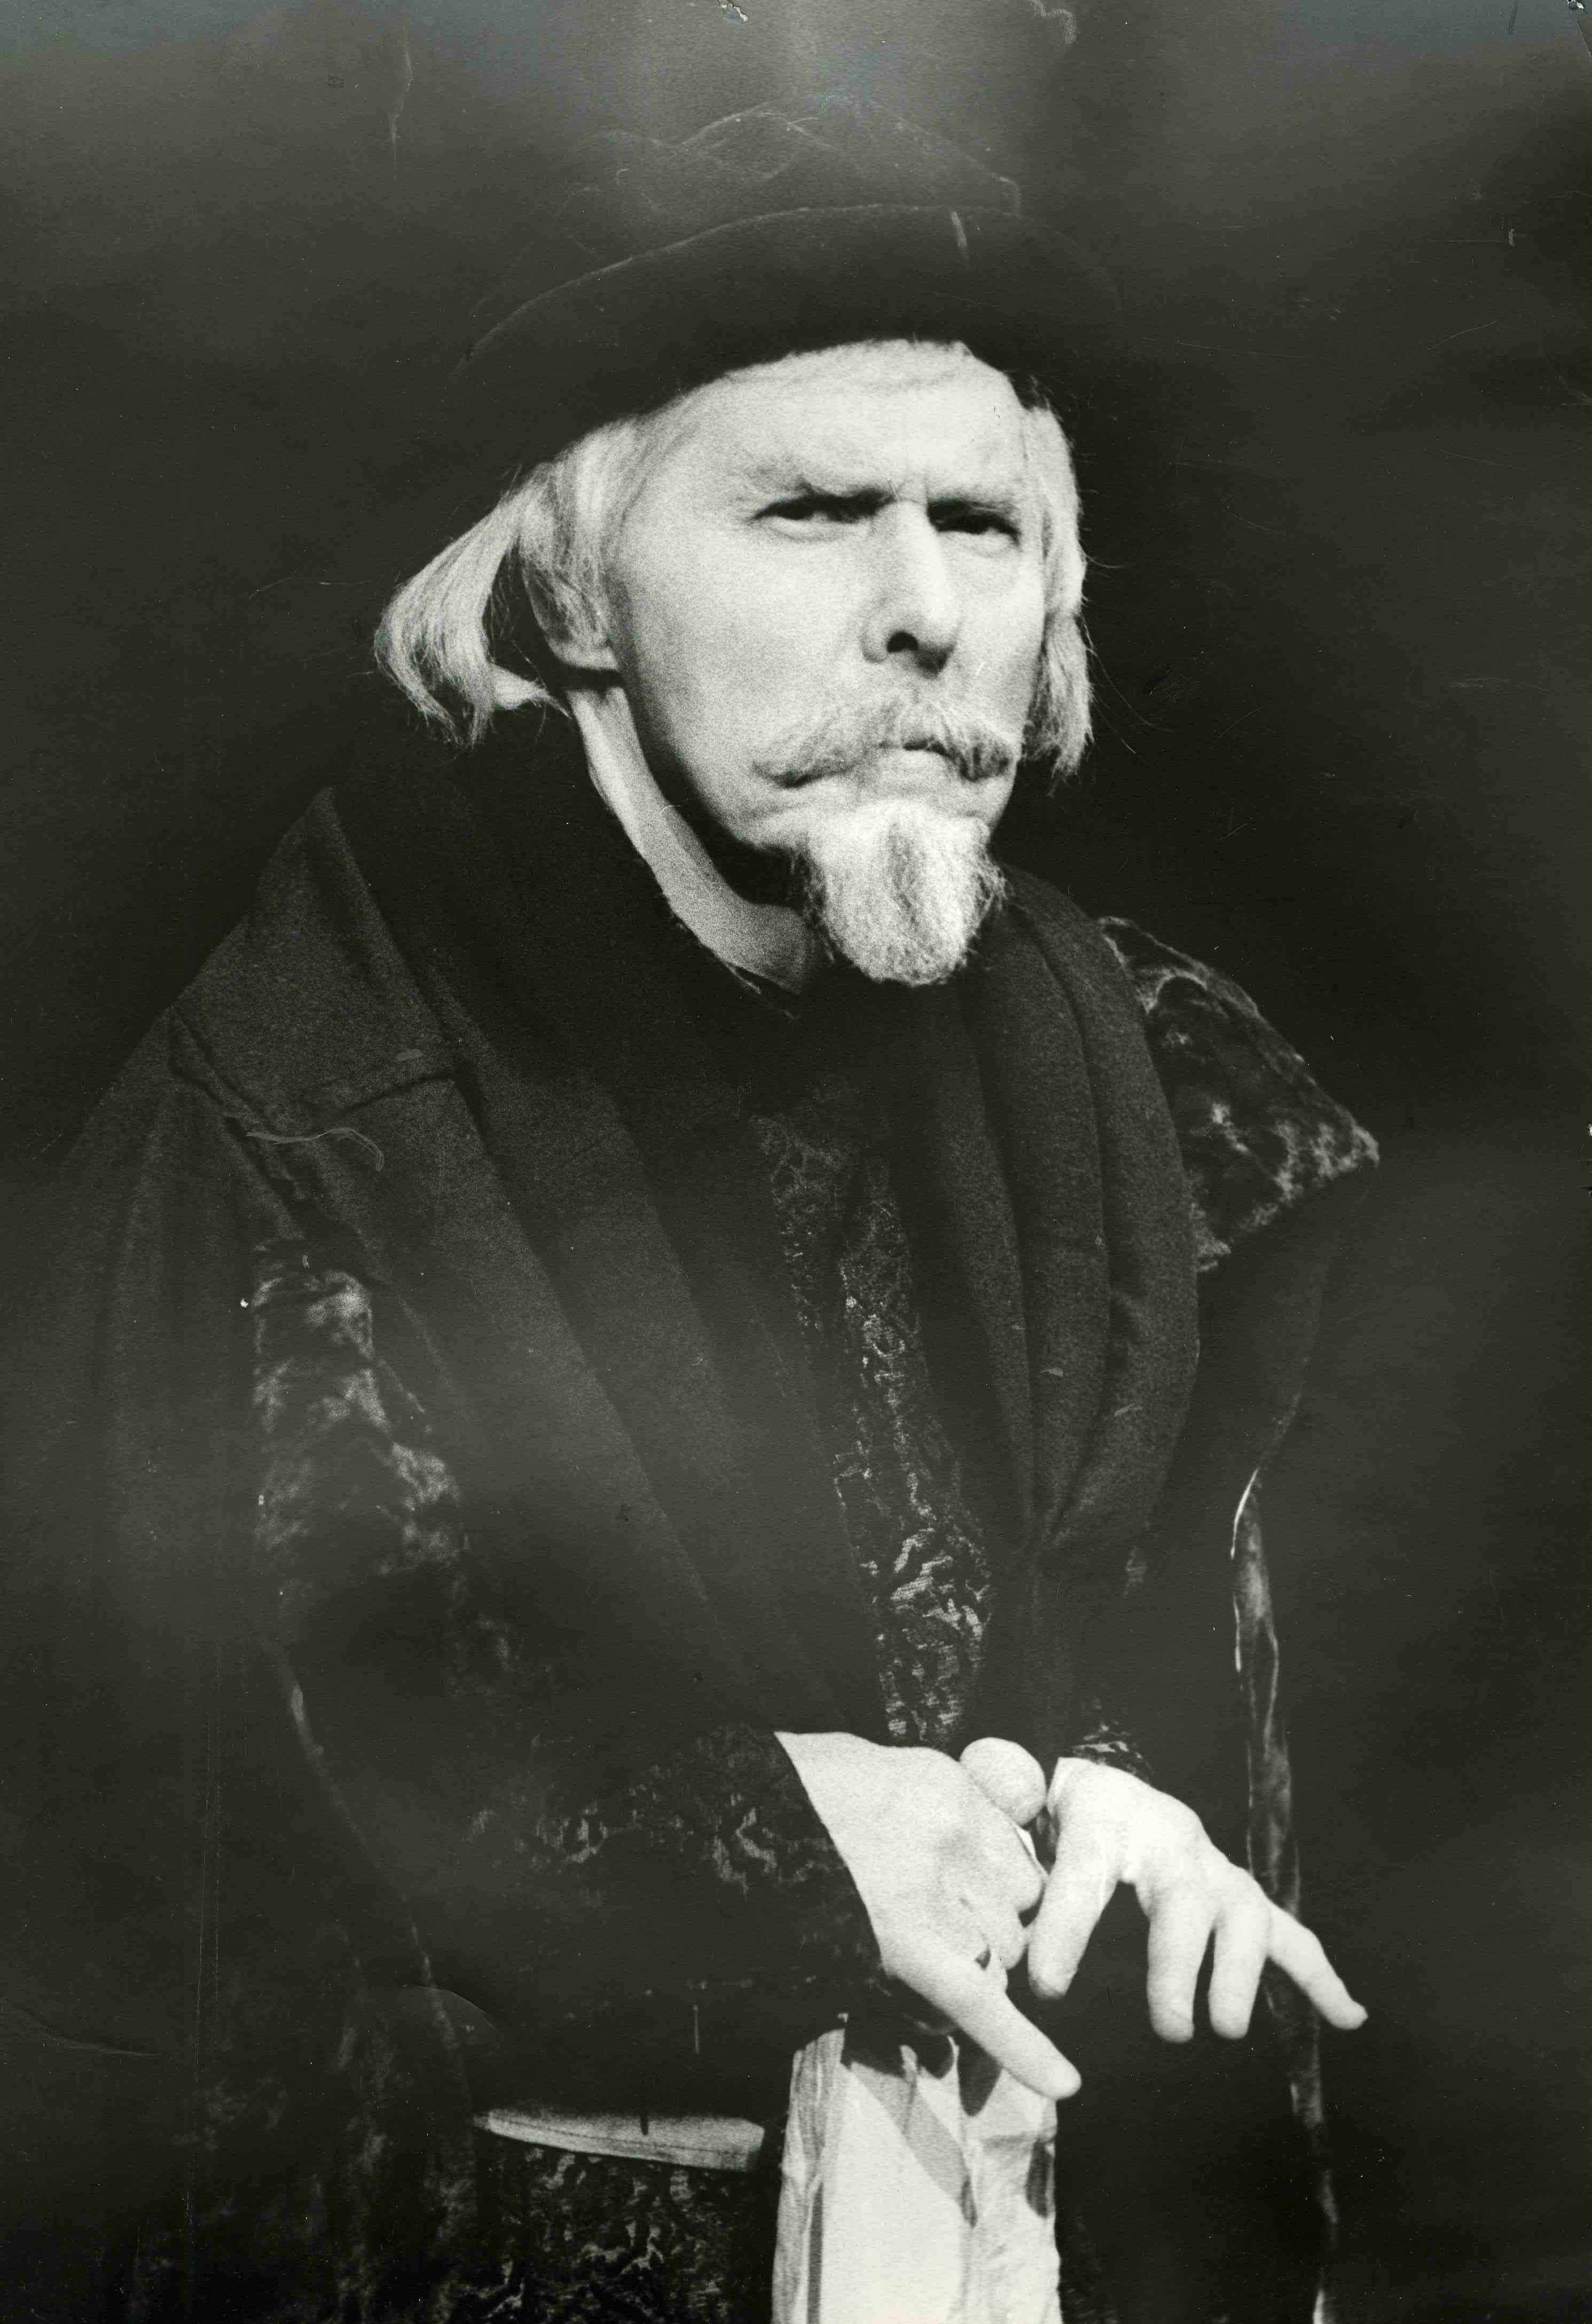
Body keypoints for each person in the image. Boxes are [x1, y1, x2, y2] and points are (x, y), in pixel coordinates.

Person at [0, 95, 1378, 2324]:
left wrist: (1125, 1787)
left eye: (985, 524)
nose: (927, 615)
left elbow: (1172, 1634)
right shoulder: (293, 1126)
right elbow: (167, 1913)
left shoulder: (1139, 1065)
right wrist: (745, 1847)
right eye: (811, 512)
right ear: (569, 594)